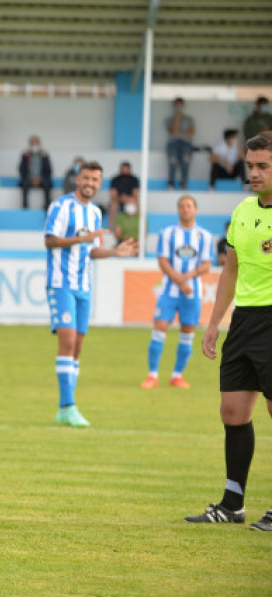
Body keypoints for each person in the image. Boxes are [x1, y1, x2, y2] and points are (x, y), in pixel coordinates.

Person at [185, 131, 272, 532]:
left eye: (262, 166)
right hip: (244, 322)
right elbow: (231, 271)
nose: (253, 173)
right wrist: (214, 323)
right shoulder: (241, 211)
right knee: (233, 413)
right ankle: (232, 504)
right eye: (250, 166)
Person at [44, 161, 137, 427]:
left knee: (78, 346)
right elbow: (49, 240)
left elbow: (92, 251)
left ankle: (66, 408)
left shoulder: (95, 213)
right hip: (61, 283)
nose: (90, 183)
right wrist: (80, 239)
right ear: (77, 179)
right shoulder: (61, 206)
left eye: (95, 180)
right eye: (86, 178)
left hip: (84, 285)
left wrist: (115, 252)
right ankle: (67, 406)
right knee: (68, 341)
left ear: (100, 183)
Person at [140, 195, 213, 390]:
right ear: (178, 210)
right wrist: (179, 280)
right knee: (159, 330)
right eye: (182, 206)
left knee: (187, 334)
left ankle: (177, 376)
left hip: (192, 293)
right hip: (169, 291)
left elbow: (207, 264)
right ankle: (152, 375)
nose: (185, 209)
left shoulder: (204, 236)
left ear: (195, 210)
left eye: (189, 206)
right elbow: (162, 260)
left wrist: (189, 275)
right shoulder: (168, 233)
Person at [165, 97, 195, 190]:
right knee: (173, 163)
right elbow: (173, 131)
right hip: (173, 143)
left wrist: (179, 132)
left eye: (180, 105)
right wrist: (177, 118)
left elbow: (191, 133)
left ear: (183, 106)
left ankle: (183, 183)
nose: (179, 107)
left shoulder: (189, 119)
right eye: (177, 105)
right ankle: (171, 184)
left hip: (186, 144)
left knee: (185, 162)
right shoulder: (169, 119)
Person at [19, 135, 52, 210]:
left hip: (42, 179)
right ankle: (25, 207)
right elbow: (22, 169)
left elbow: (48, 170)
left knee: (47, 184)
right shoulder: (25, 155)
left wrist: (40, 179)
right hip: (29, 179)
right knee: (24, 184)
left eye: (36, 143)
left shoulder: (44, 155)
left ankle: (47, 206)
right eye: (33, 143)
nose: (34, 145)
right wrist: (31, 179)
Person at [108, 161, 139, 230]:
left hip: (130, 200)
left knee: (137, 203)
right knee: (113, 205)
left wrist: (127, 198)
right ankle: (112, 227)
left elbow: (135, 194)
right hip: (118, 200)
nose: (125, 171)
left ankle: (137, 225)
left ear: (129, 170)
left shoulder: (134, 180)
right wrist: (121, 198)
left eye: (126, 169)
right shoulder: (115, 180)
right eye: (123, 169)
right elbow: (113, 194)